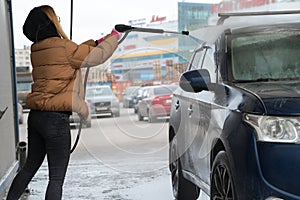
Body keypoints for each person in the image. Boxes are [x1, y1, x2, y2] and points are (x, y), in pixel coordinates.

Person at [6, 5, 120, 200]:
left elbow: (78, 52)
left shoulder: (38, 49)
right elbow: (96, 56)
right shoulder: (64, 48)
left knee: (29, 168)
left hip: (36, 117)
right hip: (55, 121)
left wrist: (100, 41)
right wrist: (115, 37)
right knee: (56, 179)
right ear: (51, 22)